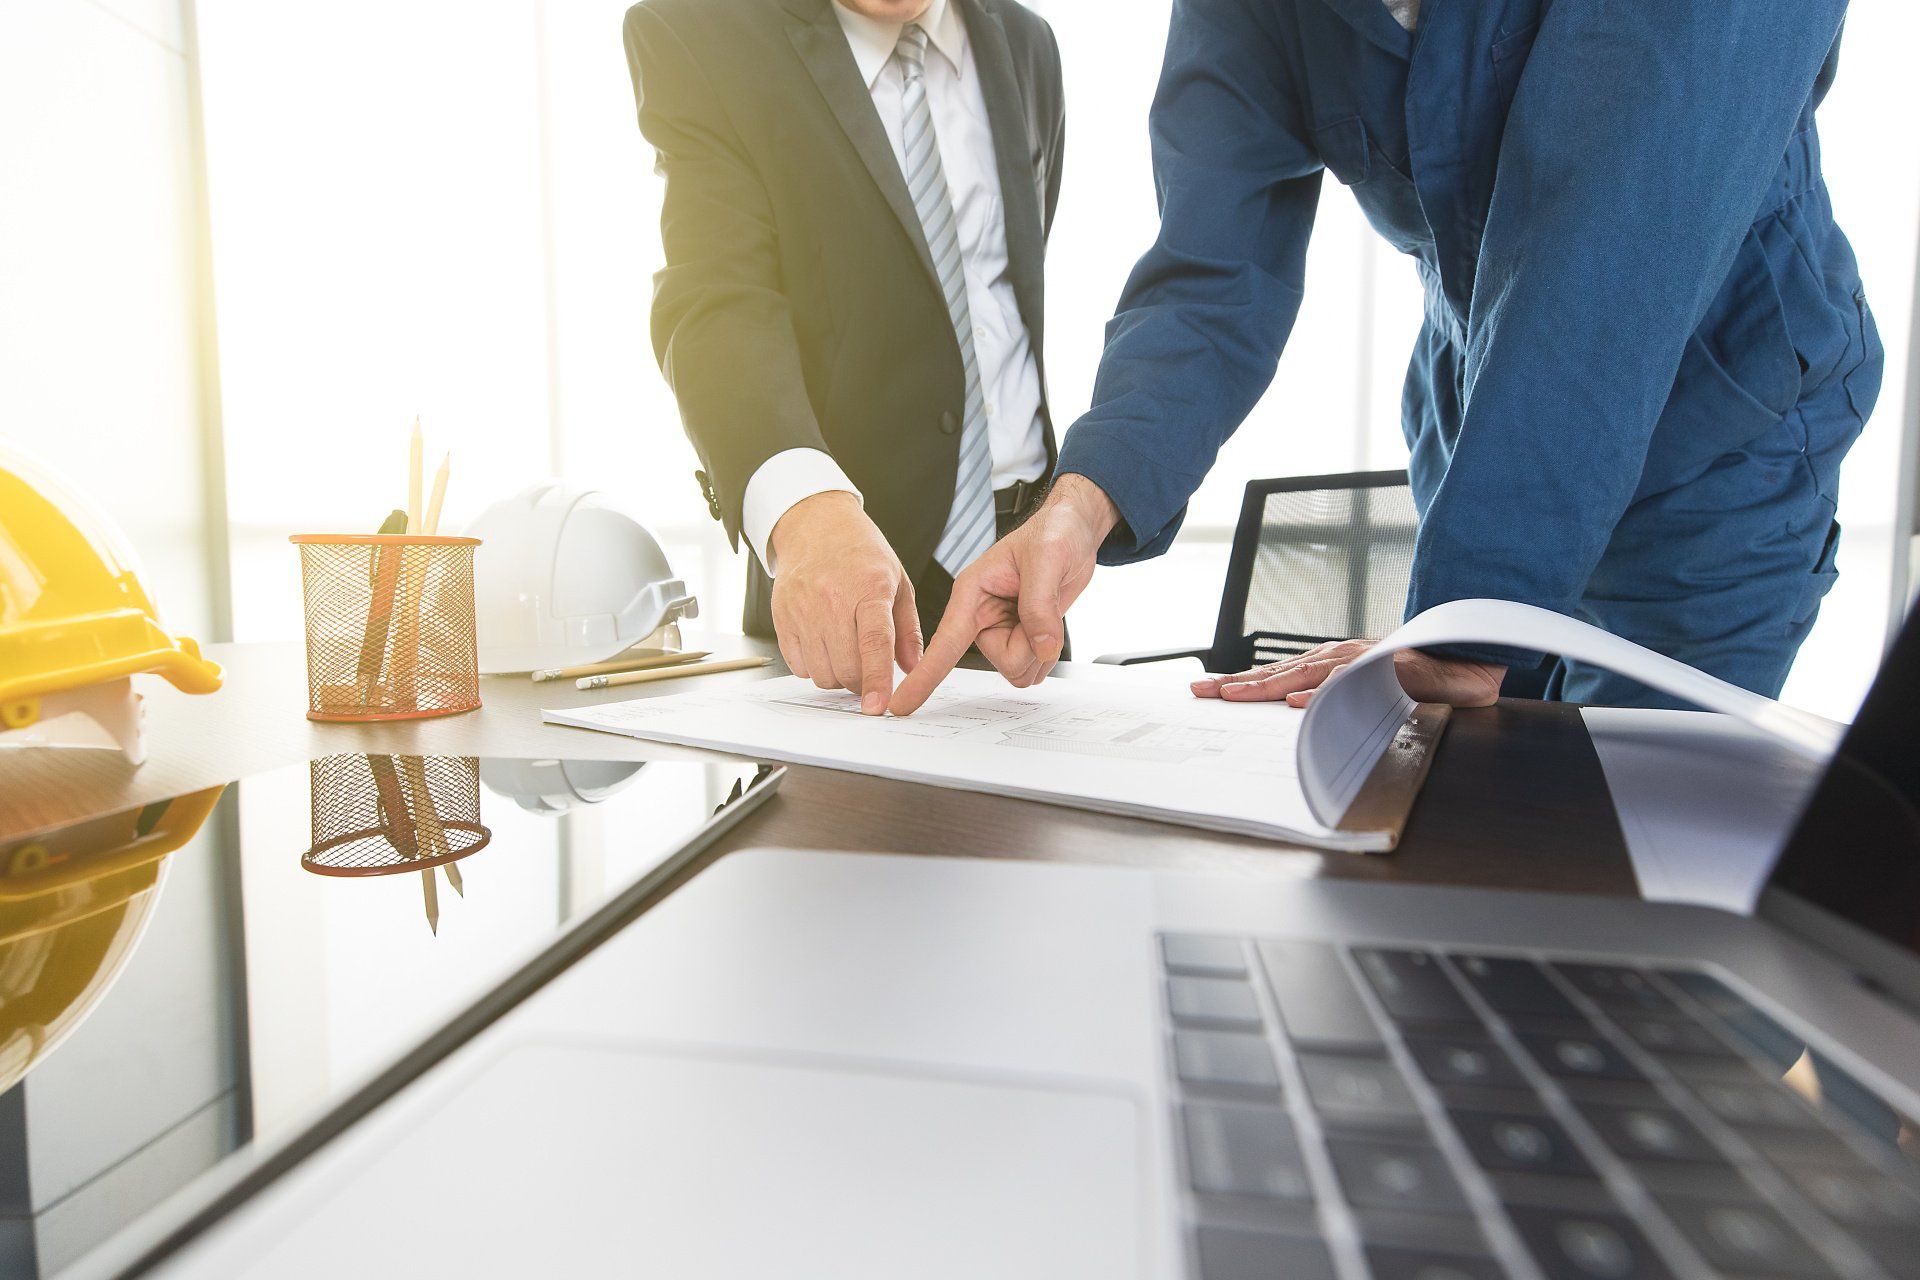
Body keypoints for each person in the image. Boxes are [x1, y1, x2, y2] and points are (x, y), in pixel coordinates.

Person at [891, 0, 1882, 717]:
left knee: (1616, 864)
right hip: (1488, 429)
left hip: (1715, 449)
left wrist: (1462, 631)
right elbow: (1214, 275)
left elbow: (1606, 257)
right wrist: (1081, 500)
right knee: (1463, 828)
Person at [624, 0, 1065, 714]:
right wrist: (802, 513)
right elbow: (716, 301)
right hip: (842, 583)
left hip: (1022, 574)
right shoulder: (700, 31)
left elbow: (1003, 304)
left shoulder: (1027, 44)